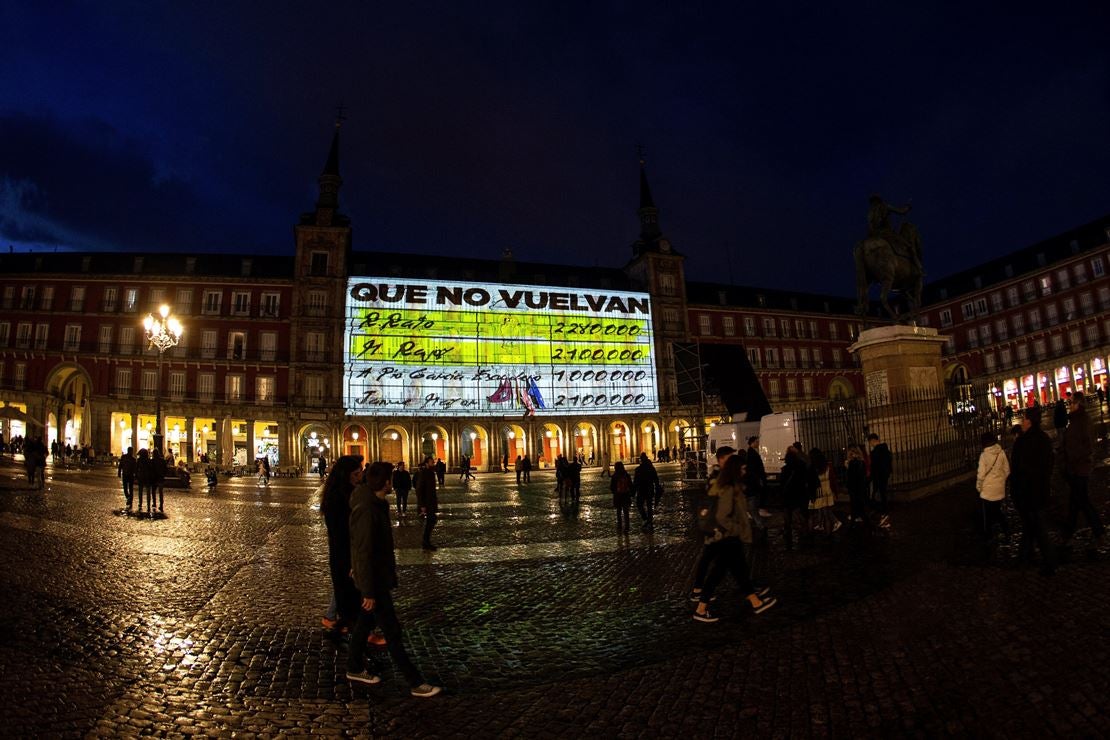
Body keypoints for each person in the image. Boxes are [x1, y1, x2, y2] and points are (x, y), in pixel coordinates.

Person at [347, 461, 442, 697]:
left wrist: (356, 569)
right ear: (386, 482)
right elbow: (364, 547)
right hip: (375, 580)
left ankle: (353, 666)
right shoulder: (369, 508)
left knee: (364, 623)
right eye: (391, 478)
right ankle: (415, 682)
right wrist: (367, 589)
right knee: (392, 632)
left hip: (374, 576)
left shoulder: (372, 502)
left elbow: (359, 544)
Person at [692, 455, 777, 622]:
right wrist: (737, 529)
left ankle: (752, 600)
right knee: (728, 571)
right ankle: (754, 601)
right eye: (743, 469)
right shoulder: (728, 488)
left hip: (727, 536)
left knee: (729, 570)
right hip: (727, 536)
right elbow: (723, 516)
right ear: (736, 470)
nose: (745, 471)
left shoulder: (731, 485)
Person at [320, 455, 365, 635]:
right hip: (343, 553)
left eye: (360, 473)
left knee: (345, 590)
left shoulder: (349, 492)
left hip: (348, 552)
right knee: (348, 591)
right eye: (355, 474)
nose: (359, 478)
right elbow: (341, 533)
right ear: (344, 475)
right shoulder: (337, 498)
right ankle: (355, 630)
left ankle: (336, 620)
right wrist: (352, 561)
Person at [1009, 408, 1057, 576]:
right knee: (1030, 526)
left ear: (1029, 421)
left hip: (1027, 491)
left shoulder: (1022, 443)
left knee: (1037, 528)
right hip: (1040, 489)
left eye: (1023, 419)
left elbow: (1016, 470)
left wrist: (1015, 492)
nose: (1022, 422)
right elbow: (1050, 463)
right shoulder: (1044, 439)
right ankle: (1024, 556)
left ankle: (1049, 562)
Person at [1060, 393, 1105, 547]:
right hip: (1075, 468)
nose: (1069, 404)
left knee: (1082, 502)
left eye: (1071, 402)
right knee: (1076, 502)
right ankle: (1068, 534)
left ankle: (1098, 531)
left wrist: (1074, 460)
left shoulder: (1081, 421)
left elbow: (1086, 445)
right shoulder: (1075, 420)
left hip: (1079, 468)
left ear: (1078, 403)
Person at [976, 432, 1010, 541]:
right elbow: (1007, 470)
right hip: (999, 489)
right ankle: (1005, 528)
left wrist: (979, 487)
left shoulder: (984, 456)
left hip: (987, 490)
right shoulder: (1001, 453)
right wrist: (1001, 480)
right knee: (997, 510)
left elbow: (981, 474)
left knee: (988, 514)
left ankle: (989, 534)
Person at [779, 445, 810, 549]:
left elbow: (782, 484)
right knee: (800, 516)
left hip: (788, 496)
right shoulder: (801, 466)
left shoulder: (785, 469)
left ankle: (788, 534)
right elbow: (805, 480)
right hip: (799, 495)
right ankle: (804, 533)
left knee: (787, 517)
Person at [808, 448, 840, 534]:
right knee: (826, 515)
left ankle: (811, 536)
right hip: (827, 491)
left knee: (810, 515)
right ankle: (828, 534)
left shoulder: (812, 467)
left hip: (817, 492)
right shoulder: (827, 466)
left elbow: (810, 482)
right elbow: (832, 479)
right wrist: (835, 492)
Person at [867, 433, 893, 528]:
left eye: (870, 442)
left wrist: (870, 479)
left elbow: (874, 468)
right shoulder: (885, 449)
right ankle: (884, 514)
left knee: (879, 496)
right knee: (883, 495)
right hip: (884, 476)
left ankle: (884, 515)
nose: (870, 444)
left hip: (878, 478)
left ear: (873, 440)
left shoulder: (875, 453)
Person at [416, 455, 439, 551]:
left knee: (432, 521)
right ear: (426, 463)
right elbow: (419, 489)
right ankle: (425, 542)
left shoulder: (431, 473)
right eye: (431, 462)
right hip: (427, 503)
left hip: (431, 501)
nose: (433, 463)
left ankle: (426, 541)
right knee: (431, 521)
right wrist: (422, 505)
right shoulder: (424, 473)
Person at [633, 452, 660, 531]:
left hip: (641, 490)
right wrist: (657, 487)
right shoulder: (651, 468)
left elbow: (635, 482)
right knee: (649, 506)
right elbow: (656, 479)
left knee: (639, 504)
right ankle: (649, 521)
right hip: (649, 489)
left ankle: (645, 518)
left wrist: (633, 491)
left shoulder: (638, 469)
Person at [845, 445, 869, 525]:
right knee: (860, 501)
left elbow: (851, 477)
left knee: (854, 501)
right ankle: (861, 516)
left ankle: (855, 516)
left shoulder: (851, 463)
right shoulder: (862, 462)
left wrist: (847, 467)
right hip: (861, 486)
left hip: (854, 486)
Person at [610, 461, 633, 532]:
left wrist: (615, 492)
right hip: (626, 495)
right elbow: (630, 485)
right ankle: (627, 527)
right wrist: (631, 493)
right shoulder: (626, 475)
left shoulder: (614, 476)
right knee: (626, 512)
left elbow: (612, 487)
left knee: (619, 512)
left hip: (618, 496)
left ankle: (619, 526)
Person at [118, 446, 136, 511]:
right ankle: (129, 498)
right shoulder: (125, 457)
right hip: (126, 475)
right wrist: (119, 472)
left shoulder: (133, 459)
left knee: (130, 489)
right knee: (126, 488)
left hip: (129, 475)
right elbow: (120, 465)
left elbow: (134, 468)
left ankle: (130, 500)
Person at [135, 448, 153, 516]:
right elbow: (151, 469)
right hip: (147, 477)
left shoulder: (139, 460)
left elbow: (136, 468)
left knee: (140, 491)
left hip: (141, 477)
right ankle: (148, 504)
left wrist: (136, 475)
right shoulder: (148, 460)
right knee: (148, 491)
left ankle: (140, 503)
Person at [151, 448, 167, 515]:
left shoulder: (152, 461)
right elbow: (165, 469)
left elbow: (150, 469)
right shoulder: (162, 460)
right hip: (160, 478)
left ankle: (154, 503)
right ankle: (161, 504)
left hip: (154, 478)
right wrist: (163, 475)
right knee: (160, 492)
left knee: (153, 491)